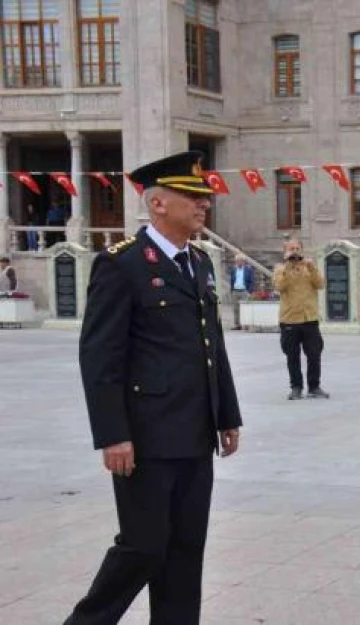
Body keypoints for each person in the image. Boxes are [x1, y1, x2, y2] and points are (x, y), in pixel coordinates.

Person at [65, 151, 242, 625]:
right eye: (193, 196)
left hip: (195, 431)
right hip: (144, 437)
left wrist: (227, 413)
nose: (204, 205)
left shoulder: (198, 263)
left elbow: (212, 343)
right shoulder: (121, 265)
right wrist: (112, 434)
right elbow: (99, 355)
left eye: (205, 198)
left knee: (186, 551)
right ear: (158, 203)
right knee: (144, 545)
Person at [274, 239, 329, 400]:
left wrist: (310, 266)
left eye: (297, 248)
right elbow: (279, 287)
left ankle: (314, 386)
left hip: (309, 318)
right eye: (291, 249)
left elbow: (320, 284)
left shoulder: (309, 268)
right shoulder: (280, 269)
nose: (295, 251)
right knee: (292, 356)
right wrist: (288, 266)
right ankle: (296, 387)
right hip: (289, 319)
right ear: (285, 251)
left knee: (314, 354)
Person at [227, 254, 256, 329]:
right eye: (237, 261)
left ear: (243, 261)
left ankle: (245, 324)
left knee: (245, 309)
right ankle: (237, 325)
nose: (238, 262)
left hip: (244, 291)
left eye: (240, 261)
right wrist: (232, 290)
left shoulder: (248, 270)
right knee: (236, 309)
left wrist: (249, 292)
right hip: (235, 291)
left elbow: (252, 281)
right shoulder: (233, 270)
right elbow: (232, 280)